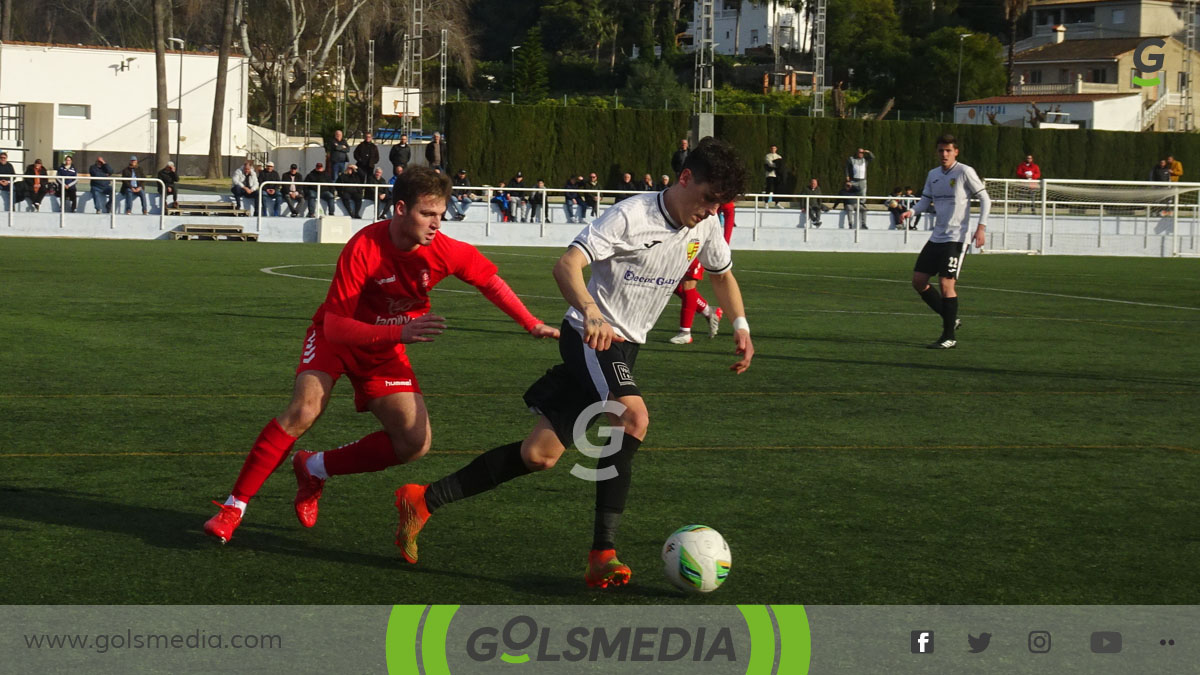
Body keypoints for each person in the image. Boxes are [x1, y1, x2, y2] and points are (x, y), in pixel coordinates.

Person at [391, 137, 755, 589]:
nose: (708, 211)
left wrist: (740, 324)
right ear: (685, 179)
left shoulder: (706, 226)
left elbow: (723, 275)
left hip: (624, 347)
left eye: (717, 205)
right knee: (633, 416)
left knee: (538, 456)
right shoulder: (630, 215)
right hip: (589, 335)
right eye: (705, 199)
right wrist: (591, 310)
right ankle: (602, 553)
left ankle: (423, 500)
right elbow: (566, 266)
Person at [202, 166, 559, 544]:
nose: (437, 223)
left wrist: (530, 322)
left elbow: (489, 280)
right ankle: (233, 507)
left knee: (413, 443)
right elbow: (336, 326)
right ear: (401, 208)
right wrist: (401, 331)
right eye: (427, 213)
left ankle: (314, 467)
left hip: (383, 347)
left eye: (441, 214)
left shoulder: (444, 249)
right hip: (336, 339)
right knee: (305, 409)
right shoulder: (365, 246)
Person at [900, 133, 990, 350]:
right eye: (941, 150)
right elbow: (926, 200)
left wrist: (981, 228)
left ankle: (949, 336)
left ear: (955, 152)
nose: (944, 154)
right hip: (937, 236)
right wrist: (911, 211)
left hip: (957, 238)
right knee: (918, 281)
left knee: (946, 283)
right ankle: (951, 318)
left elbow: (985, 198)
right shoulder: (933, 174)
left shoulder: (964, 172)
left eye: (948, 150)